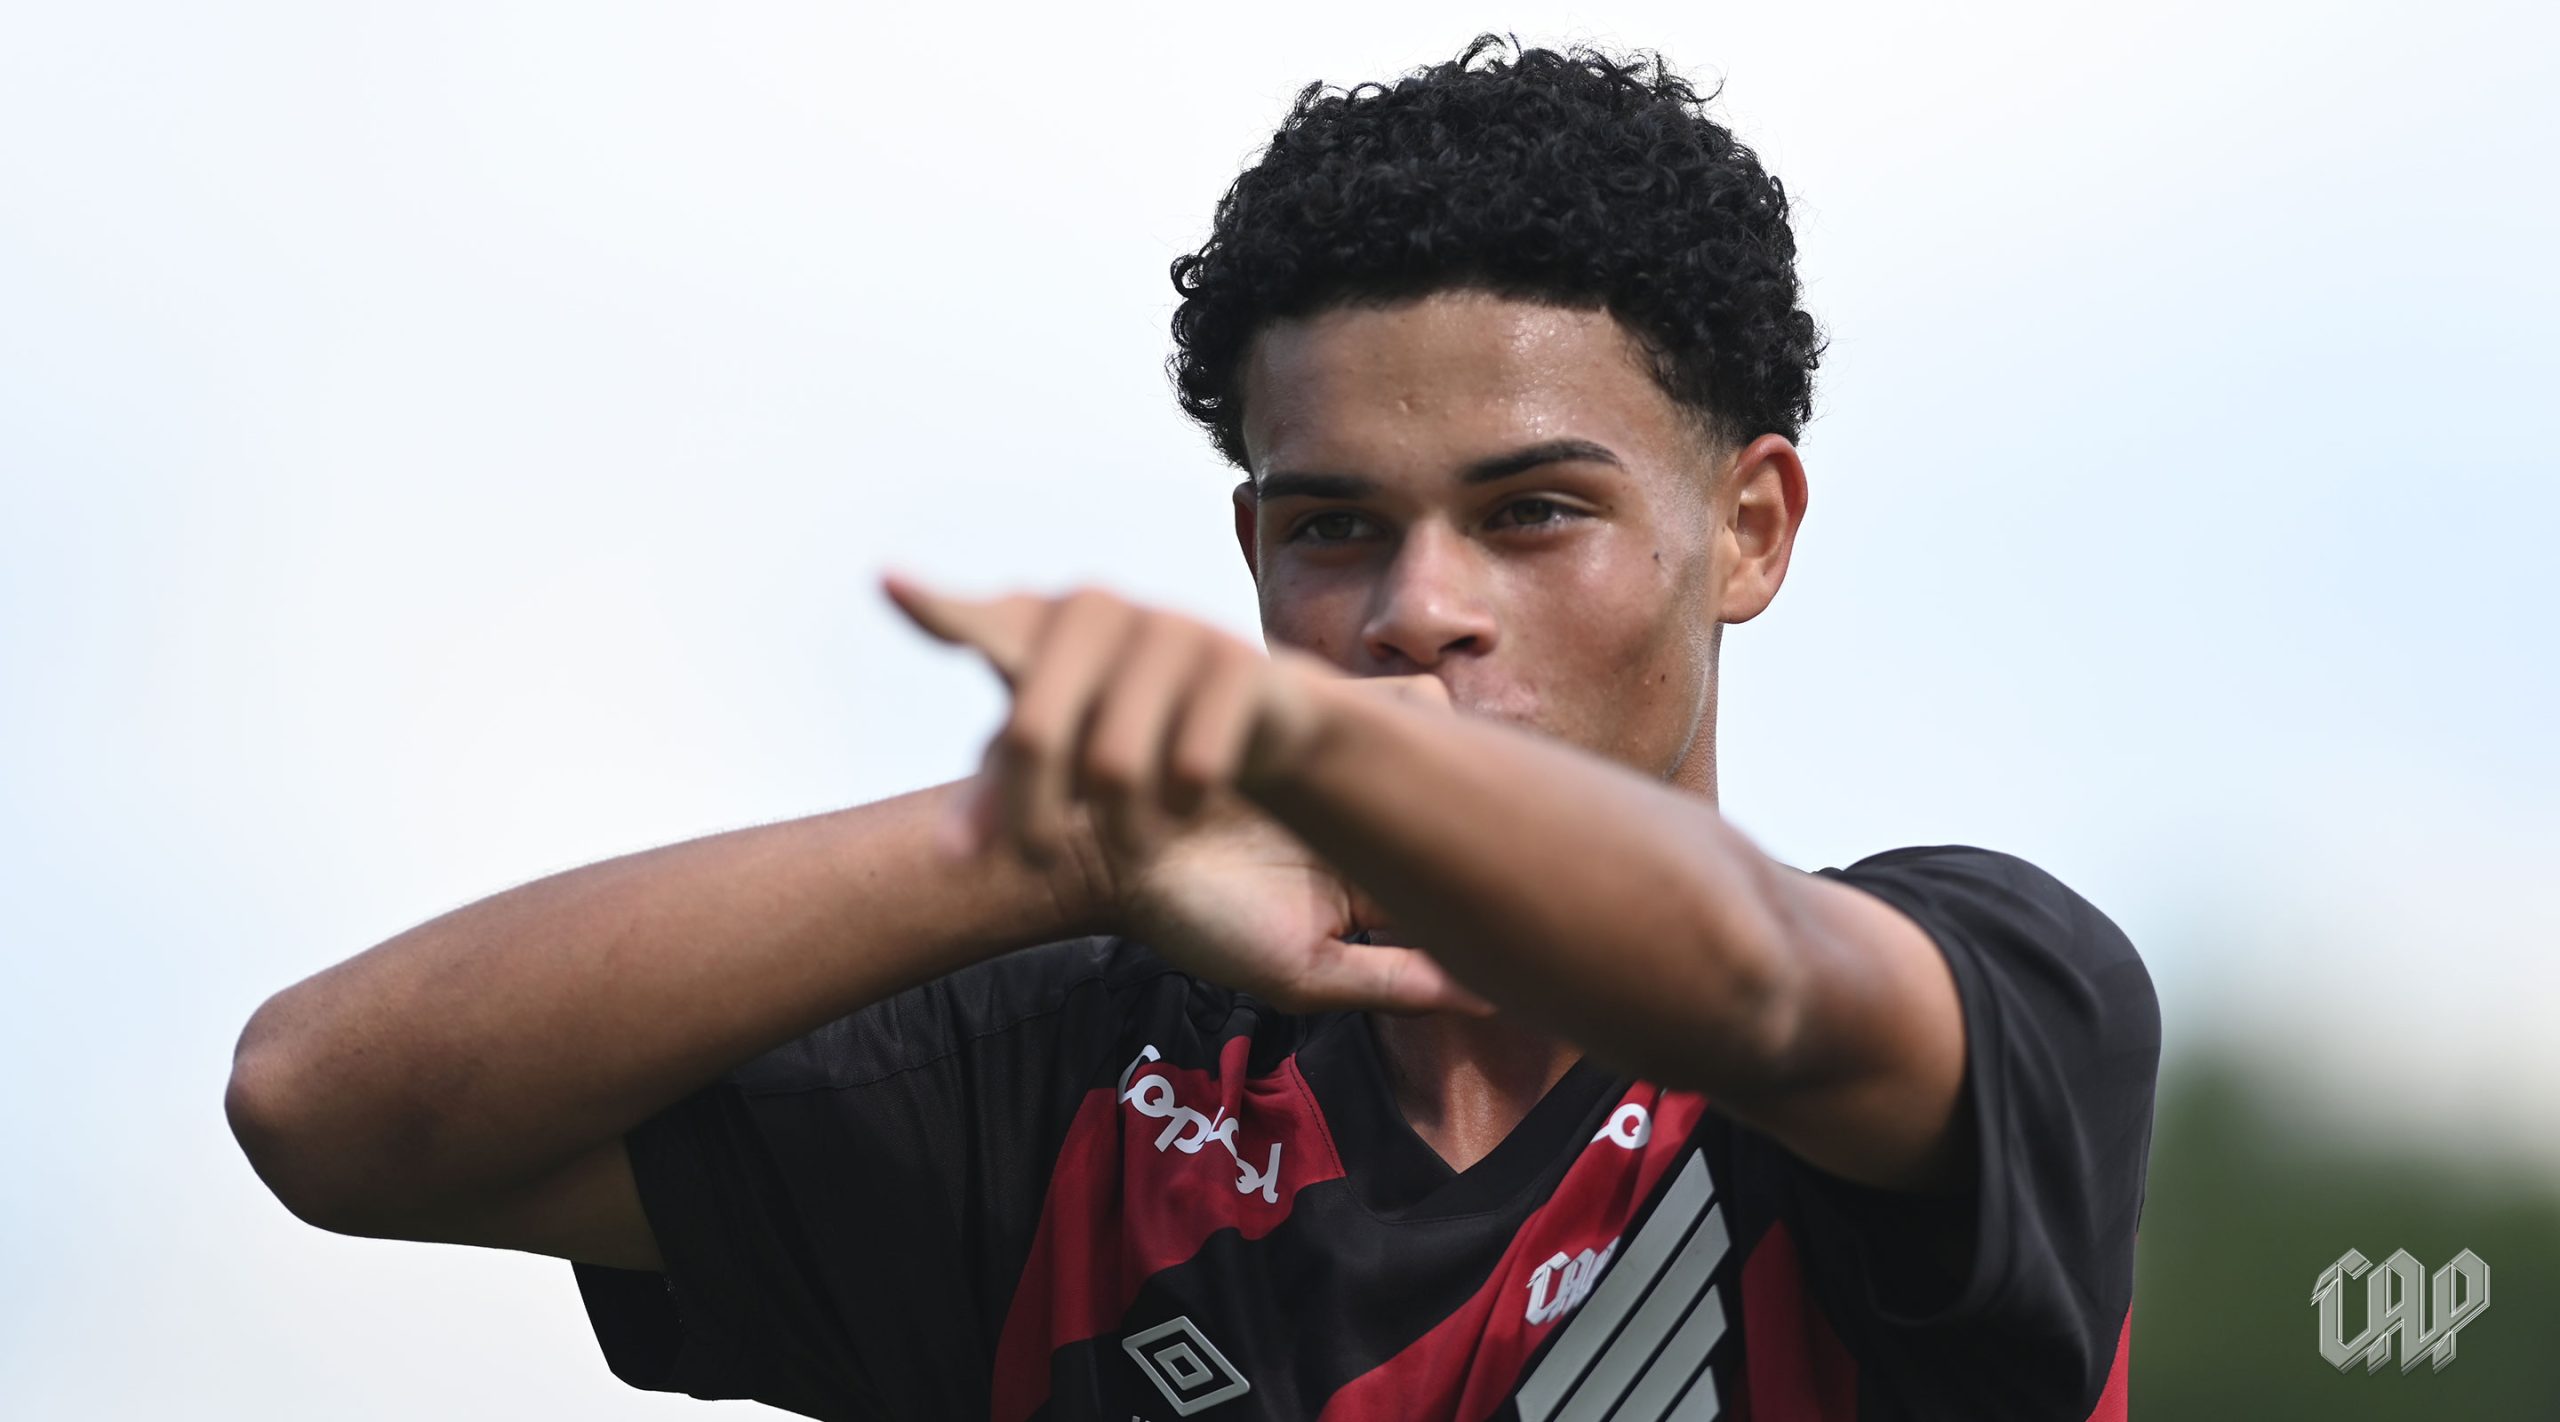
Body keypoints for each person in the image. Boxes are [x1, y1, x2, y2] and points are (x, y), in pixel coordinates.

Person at [225, 34, 2158, 1422]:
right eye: (1335, 529)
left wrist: (1325, 761)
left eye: (1531, 512)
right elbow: (321, 1105)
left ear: (1751, 530)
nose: (1417, 608)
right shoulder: (1087, 1089)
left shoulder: (1995, 995)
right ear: (1252, 555)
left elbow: (1765, 982)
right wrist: (1052, 844)